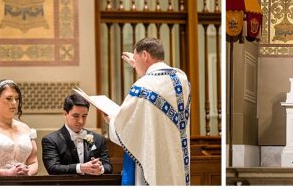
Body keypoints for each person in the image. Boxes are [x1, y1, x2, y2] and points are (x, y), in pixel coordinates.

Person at [105, 37, 190, 185]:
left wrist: (111, 121)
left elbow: (126, 128)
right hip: (176, 162)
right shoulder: (181, 79)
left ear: (145, 55)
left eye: (135, 57)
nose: (134, 64)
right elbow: (158, 83)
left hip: (155, 160)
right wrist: (140, 65)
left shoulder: (143, 86)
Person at [41, 93, 113, 176]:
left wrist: (100, 168)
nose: (81, 121)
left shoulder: (98, 139)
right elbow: (53, 169)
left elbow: (108, 167)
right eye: (76, 116)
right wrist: (80, 168)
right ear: (65, 114)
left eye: (84, 116)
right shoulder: (51, 140)